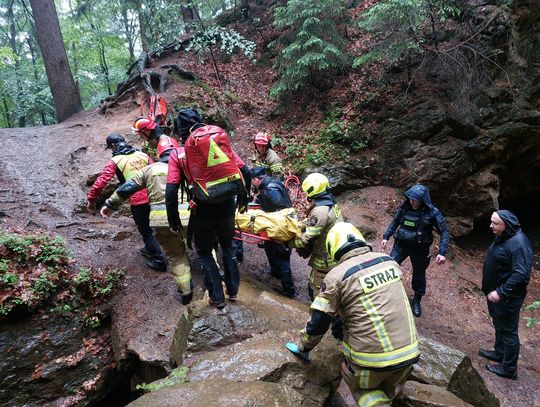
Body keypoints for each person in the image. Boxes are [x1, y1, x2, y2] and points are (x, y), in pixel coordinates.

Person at [286, 222, 420, 407]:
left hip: (371, 362)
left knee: (364, 390)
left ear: (333, 249)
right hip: (410, 355)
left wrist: (304, 347)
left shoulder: (336, 276)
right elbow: (381, 301)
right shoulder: (389, 261)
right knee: (388, 389)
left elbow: (319, 320)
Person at [166, 108, 249, 310]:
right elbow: (244, 170)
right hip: (227, 203)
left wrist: (174, 220)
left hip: (202, 207)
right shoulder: (216, 141)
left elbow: (170, 190)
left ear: (180, 130)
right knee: (227, 246)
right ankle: (233, 289)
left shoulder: (178, 153)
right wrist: (244, 198)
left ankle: (217, 298)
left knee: (204, 252)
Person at [101, 136, 193, 305]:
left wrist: (109, 205)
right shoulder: (187, 164)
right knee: (205, 250)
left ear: (159, 152)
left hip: (161, 221)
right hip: (189, 217)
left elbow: (127, 187)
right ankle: (215, 284)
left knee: (176, 255)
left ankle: (186, 293)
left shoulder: (150, 169)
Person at [87, 133, 164, 271]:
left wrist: (91, 200)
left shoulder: (115, 160)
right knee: (157, 226)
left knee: (146, 231)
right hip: (155, 194)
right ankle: (150, 248)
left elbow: (101, 182)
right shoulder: (142, 155)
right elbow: (157, 169)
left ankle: (159, 261)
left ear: (112, 146)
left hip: (138, 199)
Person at [380, 184, 449, 317]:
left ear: (422, 200)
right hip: (401, 245)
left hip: (420, 248)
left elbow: (444, 231)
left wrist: (442, 252)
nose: (411, 201)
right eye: (410, 198)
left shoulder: (432, 212)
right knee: (389, 267)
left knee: (419, 274)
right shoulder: (405, 207)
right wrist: (386, 237)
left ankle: (416, 300)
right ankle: (386, 294)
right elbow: (395, 222)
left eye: (415, 199)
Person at [480, 210, 533, 380]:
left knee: (509, 331)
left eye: (495, 223)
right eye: (491, 222)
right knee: (499, 323)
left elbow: (521, 274)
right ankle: (500, 352)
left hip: (508, 297)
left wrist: (501, 292)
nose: (491, 226)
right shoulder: (503, 236)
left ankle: (509, 368)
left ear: (506, 225)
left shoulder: (519, 244)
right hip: (496, 293)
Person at [290, 173, 342, 301]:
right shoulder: (331, 203)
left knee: (317, 290)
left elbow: (309, 237)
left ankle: (318, 316)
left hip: (325, 260)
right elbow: (317, 224)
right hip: (335, 253)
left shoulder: (320, 210)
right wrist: (300, 225)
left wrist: (288, 242)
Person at [251, 167, 296, 298]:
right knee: (269, 247)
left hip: (280, 225)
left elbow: (277, 207)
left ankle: (289, 290)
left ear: (256, 179)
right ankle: (275, 272)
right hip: (278, 222)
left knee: (281, 255)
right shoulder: (270, 184)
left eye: (252, 181)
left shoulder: (270, 189)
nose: (252, 184)